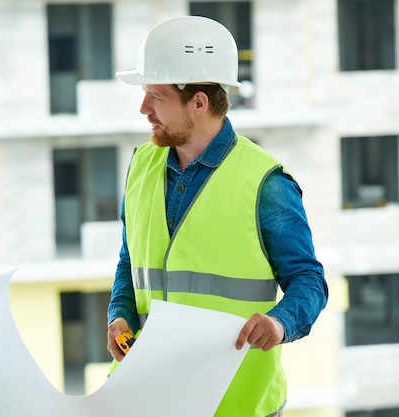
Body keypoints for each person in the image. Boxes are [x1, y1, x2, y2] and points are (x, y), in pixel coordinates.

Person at [106, 16, 328, 417]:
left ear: (199, 102)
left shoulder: (266, 183)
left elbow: (309, 280)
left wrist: (279, 323)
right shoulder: (141, 164)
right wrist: (118, 315)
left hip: (237, 405)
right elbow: (129, 261)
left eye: (155, 97)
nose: (143, 109)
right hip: (149, 398)